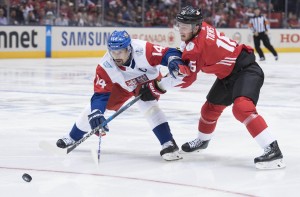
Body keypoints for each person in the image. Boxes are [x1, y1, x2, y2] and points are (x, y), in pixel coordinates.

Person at [167, 6, 284, 169]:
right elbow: (188, 52)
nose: (180, 29)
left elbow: (187, 79)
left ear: (196, 27)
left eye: (184, 26)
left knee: (242, 108)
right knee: (209, 110)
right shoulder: (201, 29)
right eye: (179, 25)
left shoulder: (196, 48)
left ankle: (273, 149)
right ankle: (202, 140)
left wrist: (162, 83)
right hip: (228, 74)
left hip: (246, 70)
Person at [56, 30, 189, 161]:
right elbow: (100, 95)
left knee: (149, 106)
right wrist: (97, 113)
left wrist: (174, 61)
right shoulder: (105, 65)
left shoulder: (143, 50)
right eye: (113, 52)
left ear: (129, 49)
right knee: (92, 111)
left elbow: (168, 53)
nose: (116, 56)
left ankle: (168, 144)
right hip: (123, 86)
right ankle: (72, 137)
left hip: (148, 82)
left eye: (120, 51)